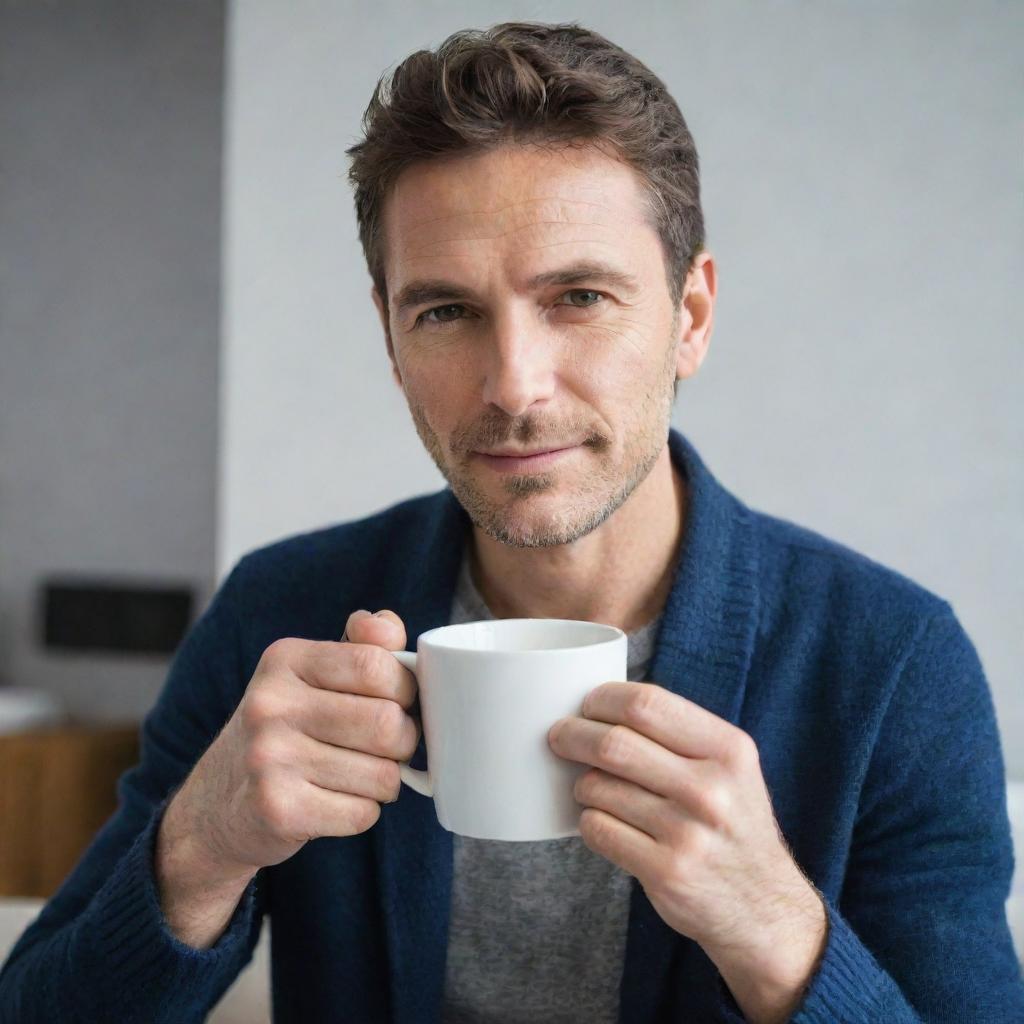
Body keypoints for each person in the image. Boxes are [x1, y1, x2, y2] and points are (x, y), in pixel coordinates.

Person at [1, 19, 1022, 1024]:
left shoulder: (892, 665)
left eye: (577, 296)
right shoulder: (282, 612)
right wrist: (198, 848)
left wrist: (774, 929)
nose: (514, 385)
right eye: (445, 311)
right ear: (391, 338)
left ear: (691, 316)